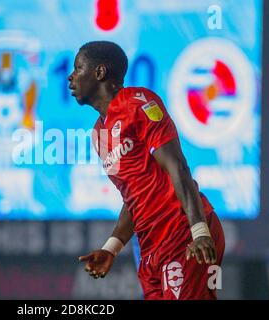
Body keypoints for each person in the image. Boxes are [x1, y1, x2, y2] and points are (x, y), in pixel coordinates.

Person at [68, 41, 225, 300]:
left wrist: (199, 231)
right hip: (151, 249)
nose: (71, 76)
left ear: (99, 72)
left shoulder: (139, 103)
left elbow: (178, 166)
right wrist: (112, 248)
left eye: (78, 68)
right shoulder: (99, 134)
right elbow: (135, 197)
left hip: (183, 234)